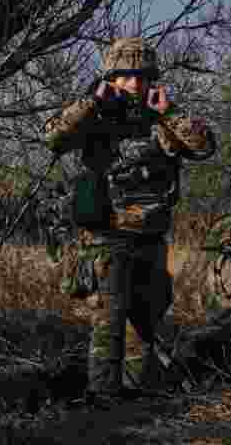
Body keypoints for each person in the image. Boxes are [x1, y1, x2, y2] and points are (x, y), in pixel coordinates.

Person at [43, 37, 216, 399]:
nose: (134, 85)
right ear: (111, 78)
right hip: (108, 234)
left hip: (151, 235)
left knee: (151, 317)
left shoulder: (162, 117)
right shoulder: (94, 114)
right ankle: (104, 398)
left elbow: (203, 146)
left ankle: (147, 393)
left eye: (141, 77)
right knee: (110, 319)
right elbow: (53, 137)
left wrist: (169, 113)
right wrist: (92, 102)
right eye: (125, 77)